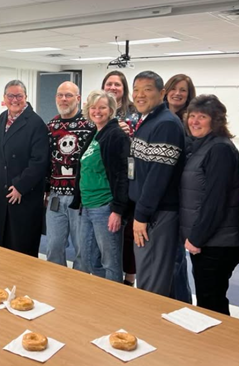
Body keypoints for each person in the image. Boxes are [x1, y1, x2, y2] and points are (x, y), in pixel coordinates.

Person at [179, 95, 239, 315]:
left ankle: (218, 346)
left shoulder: (219, 149)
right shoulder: (201, 146)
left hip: (218, 243)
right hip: (212, 240)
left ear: (216, 121)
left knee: (211, 303)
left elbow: (215, 200)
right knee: (209, 299)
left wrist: (197, 237)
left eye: (202, 117)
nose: (195, 121)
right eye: (192, 116)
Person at [129, 70, 185, 297]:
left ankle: (147, 330)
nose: (140, 95)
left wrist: (141, 216)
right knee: (149, 274)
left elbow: (157, 177)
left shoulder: (167, 124)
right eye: (136, 90)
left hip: (157, 214)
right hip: (147, 211)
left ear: (162, 93)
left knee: (152, 283)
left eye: (147, 90)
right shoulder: (148, 121)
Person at [69, 90, 130, 282]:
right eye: (93, 107)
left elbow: (123, 175)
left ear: (111, 110)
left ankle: (113, 303)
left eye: (102, 107)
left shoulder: (116, 135)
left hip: (105, 207)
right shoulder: (94, 134)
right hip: (86, 206)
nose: (97, 111)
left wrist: (118, 211)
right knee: (89, 259)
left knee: (110, 262)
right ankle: (98, 299)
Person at [0, 80, 49, 257]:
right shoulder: (0, 120)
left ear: (26, 97)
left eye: (19, 96)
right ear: (4, 98)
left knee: (20, 244)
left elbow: (39, 161)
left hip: (23, 193)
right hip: (0, 191)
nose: (15, 100)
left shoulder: (36, 123)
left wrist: (21, 186)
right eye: (11, 96)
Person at [45, 81, 95, 270]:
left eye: (68, 95)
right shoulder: (51, 125)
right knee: (53, 246)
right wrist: (46, 190)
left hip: (80, 197)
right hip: (56, 196)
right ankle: (56, 286)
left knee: (82, 249)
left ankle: (77, 290)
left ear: (78, 99)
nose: (64, 99)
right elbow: (47, 161)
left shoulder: (90, 124)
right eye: (60, 95)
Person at [163, 74, 196, 303]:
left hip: (180, 198)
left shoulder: (191, 121)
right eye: (174, 88)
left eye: (183, 90)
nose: (177, 93)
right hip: (159, 198)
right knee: (164, 258)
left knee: (176, 257)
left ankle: (182, 304)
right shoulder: (155, 118)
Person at [103, 70, 138, 286]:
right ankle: (108, 275)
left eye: (117, 84)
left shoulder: (134, 112)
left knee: (127, 233)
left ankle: (129, 278)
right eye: (109, 84)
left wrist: (129, 133)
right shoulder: (100, 110)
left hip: (130, 178)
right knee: (107, 232)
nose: (113, 88)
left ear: (124, 88)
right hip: (104, 181)